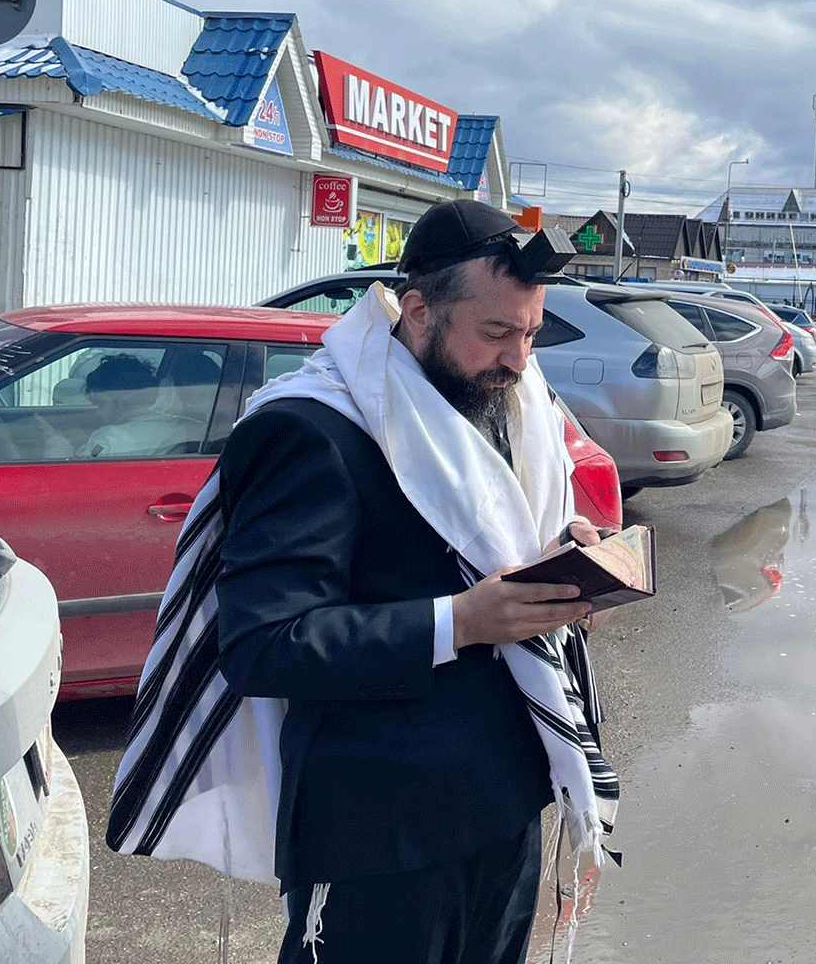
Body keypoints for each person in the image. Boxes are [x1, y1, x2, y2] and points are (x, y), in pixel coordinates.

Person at [107, 200, 615, 964]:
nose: (518, 359)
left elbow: (490, 548)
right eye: (497, 333)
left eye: (530, 334)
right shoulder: (310, 430)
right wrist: (463, 621)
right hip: (379, 832)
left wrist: (562, 569)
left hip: (507, 797)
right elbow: (263, 645)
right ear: (417, 310)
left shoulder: (503, 406)